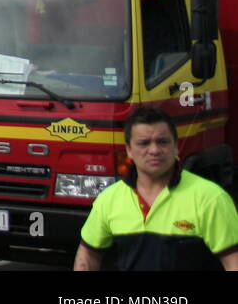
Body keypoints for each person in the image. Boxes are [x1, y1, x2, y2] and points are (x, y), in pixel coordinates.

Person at [75, 106, 238, 271]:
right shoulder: (109, 199)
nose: (154, 150)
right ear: (129, 150)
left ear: (175, 146)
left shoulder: (211, 198)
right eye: (144, 143)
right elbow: (88, 256)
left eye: (162, 142)